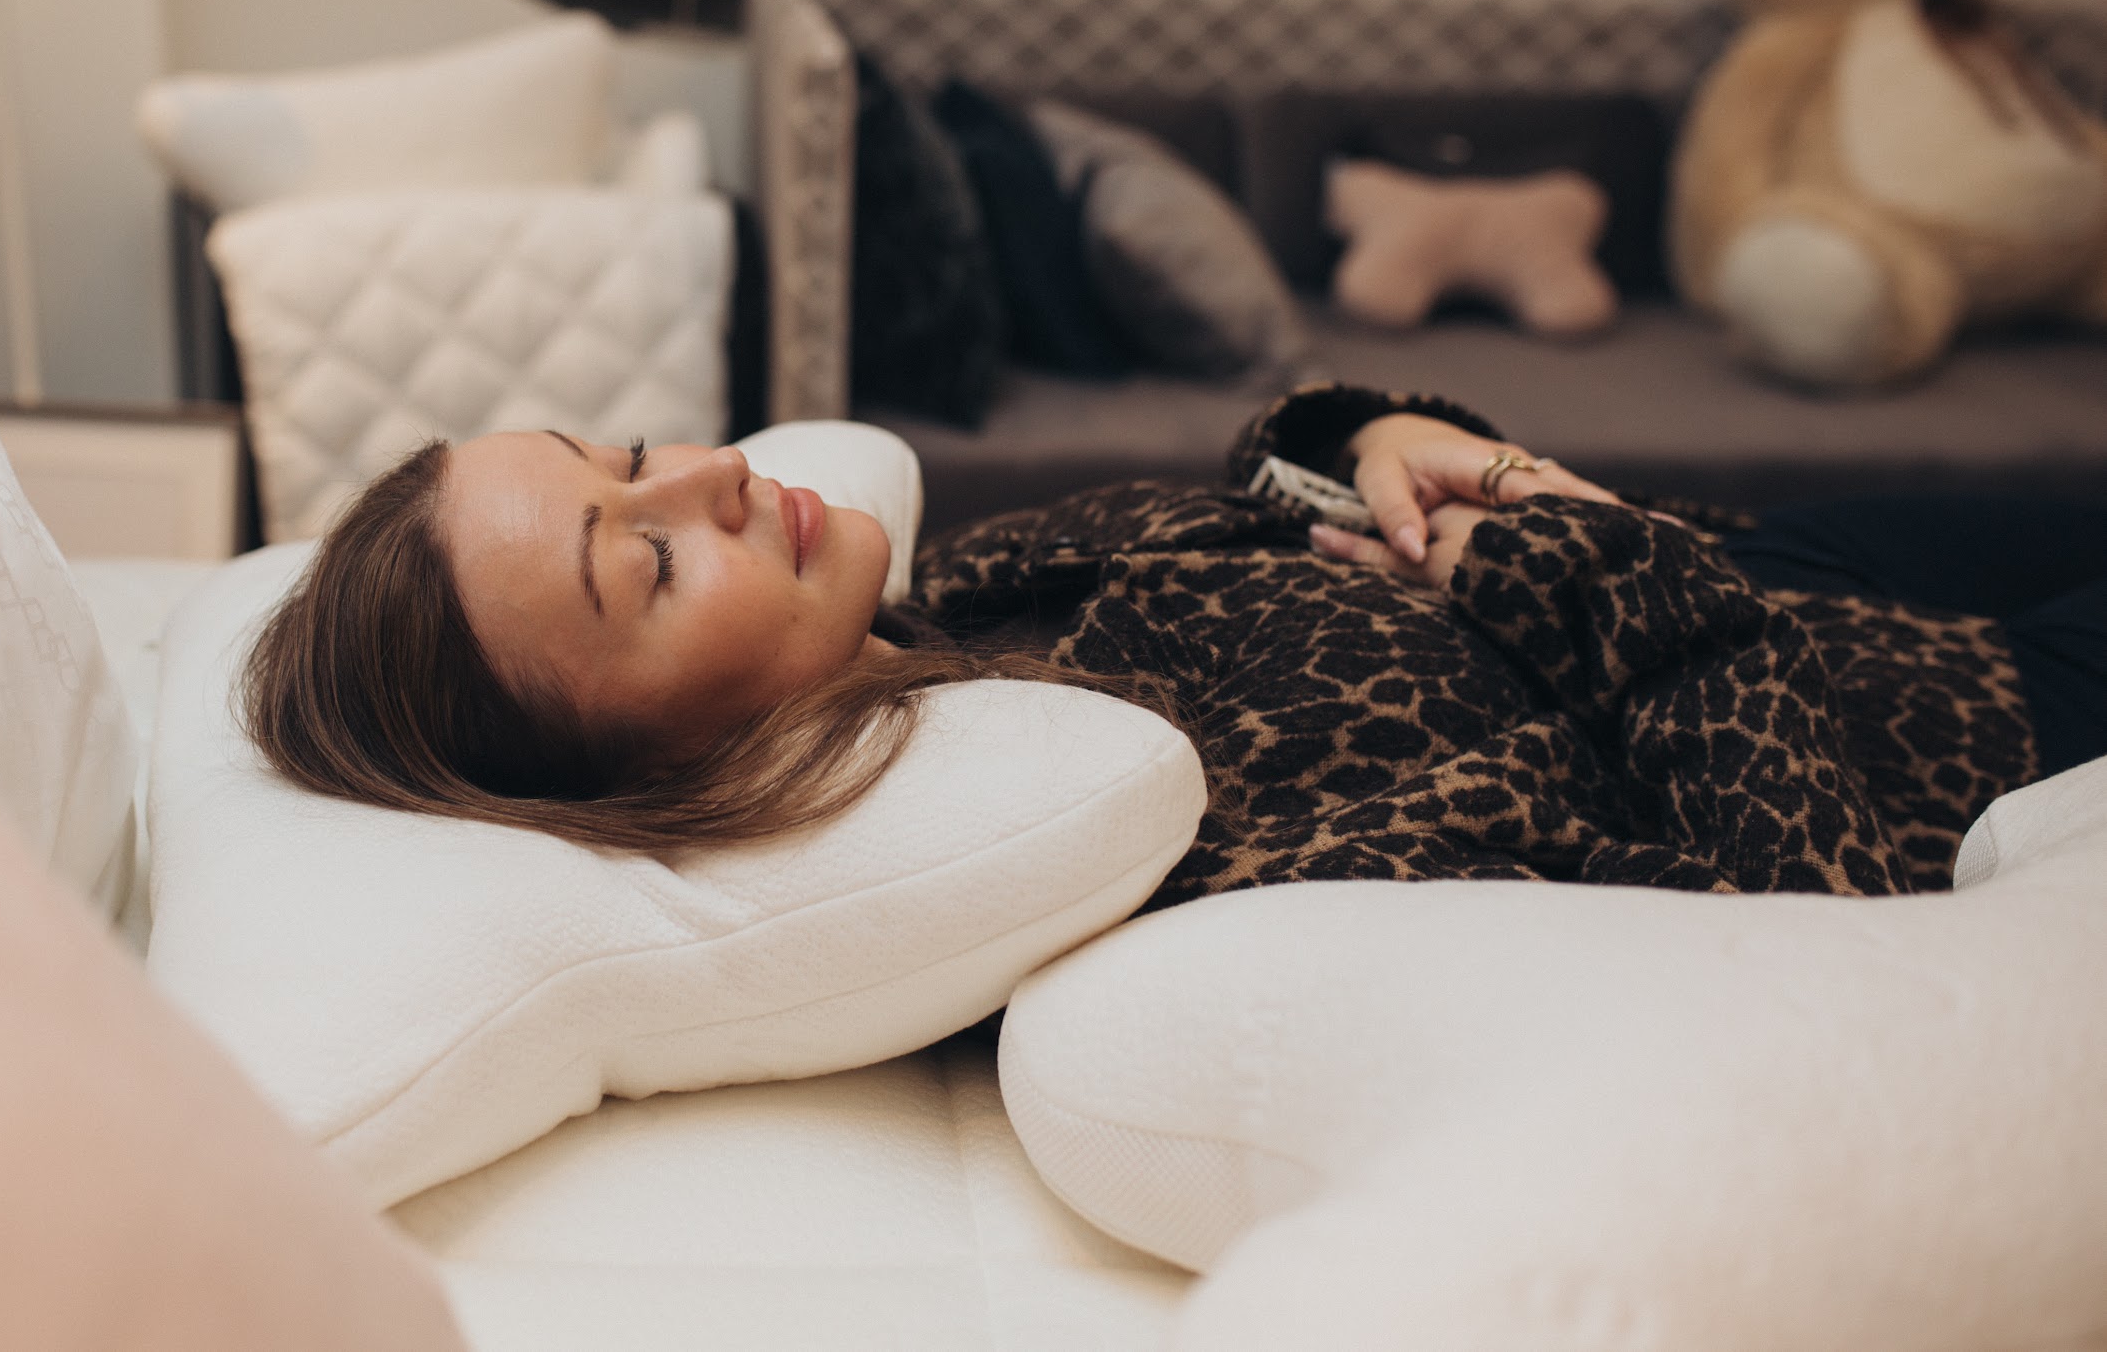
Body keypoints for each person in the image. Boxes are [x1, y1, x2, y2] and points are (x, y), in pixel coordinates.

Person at [244, 385, 2106, 906]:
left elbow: (1247, 498)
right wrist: (1575, 547)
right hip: (1967, 719)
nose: (718, 475)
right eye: (644, 563)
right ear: (654, 773)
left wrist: (1367, 435)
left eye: (632, 455)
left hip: (1785, 563)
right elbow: (1788, 912)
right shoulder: (1159, 827)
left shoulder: (939, 615)